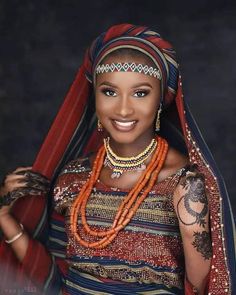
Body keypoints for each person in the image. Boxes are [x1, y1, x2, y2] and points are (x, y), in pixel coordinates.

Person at [0, 23, 235, 295]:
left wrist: (193, 230)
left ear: (162, 100)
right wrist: (5, 217)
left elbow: (200, 286)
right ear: (94, 96)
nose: (123, 109)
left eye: (141, 93)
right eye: (109, 92)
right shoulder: (73, 178)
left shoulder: (183, 183)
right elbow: (54, 282)